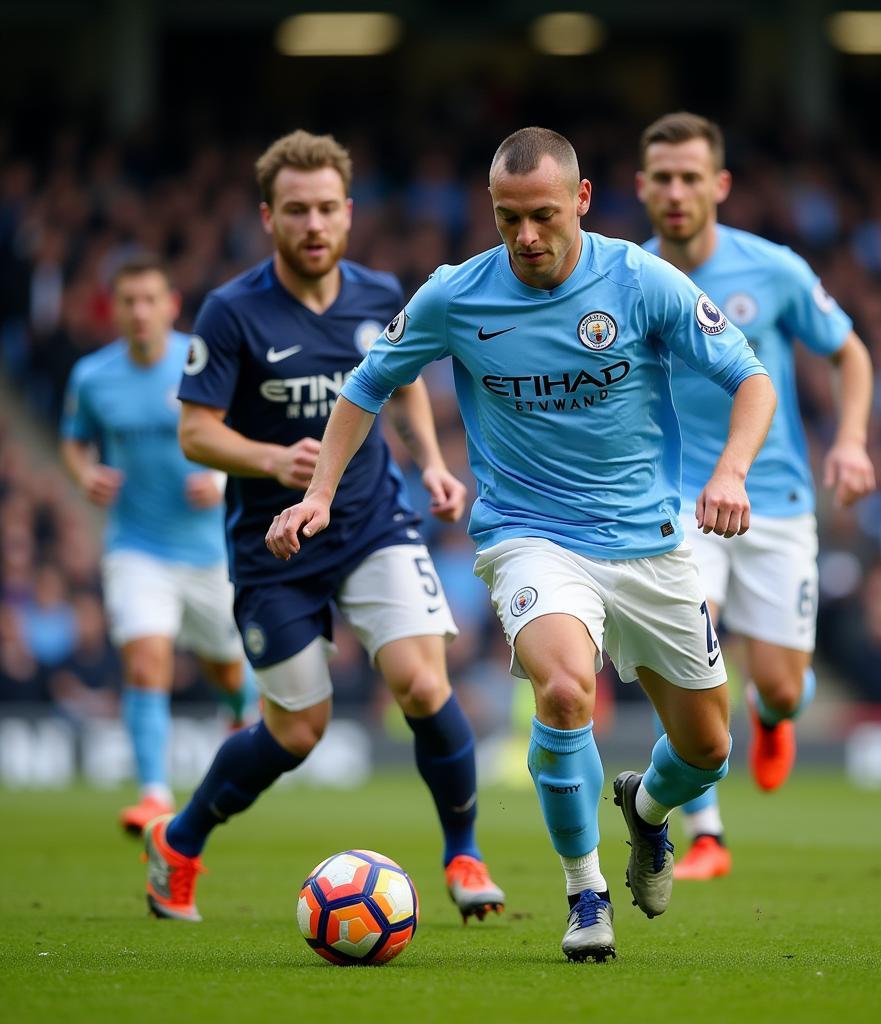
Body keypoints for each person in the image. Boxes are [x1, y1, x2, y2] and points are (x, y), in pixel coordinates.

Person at [266, 127, 777, 962]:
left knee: (707, 750)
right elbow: (367, 386)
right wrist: (318, 492)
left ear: (580, 200)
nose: (527, 237)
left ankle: (646, 812)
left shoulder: (640, 280)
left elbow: (750, 378)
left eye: (543, 215)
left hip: (649, 543)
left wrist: (731, 472)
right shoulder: (455, 295)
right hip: (530, 536)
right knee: (566, 692)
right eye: (508, 219)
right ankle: (585, 894)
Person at [141, 130, 504, 925]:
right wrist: (277, 464)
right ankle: (179, 839)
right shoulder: (232, 311)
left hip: (374, 520)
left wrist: (434, 462)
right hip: (271, 547)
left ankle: (464, 853)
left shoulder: (380, 295)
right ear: (269, 217)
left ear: (349, 214)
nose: (314, 224)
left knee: (420, 680)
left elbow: (399, 382)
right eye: (297, 210)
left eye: (328, 209)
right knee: (299, 729)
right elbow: (196, 433)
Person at [636, 111, 876, 880]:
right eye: (662, 179)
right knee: (688, 652)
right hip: (676, 501)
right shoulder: (627, 278)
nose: (676, 192)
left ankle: (775, 716)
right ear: (642, 188)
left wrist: (850, 441)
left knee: (777, 683)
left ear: (720, 185)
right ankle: (706, 832)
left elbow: (851, 353)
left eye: (690, 178)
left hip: (774, 498)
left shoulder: (773, 269)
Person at [61, 256, 253, 835]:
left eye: (150, 300)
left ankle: (245, 712)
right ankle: (152, 795)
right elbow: (74, 441)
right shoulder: (92, 377)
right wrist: (83, 473)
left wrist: (220, 479)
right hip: (135, 547)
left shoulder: (201, 358)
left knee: (226, 670)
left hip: (208, 552)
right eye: (128, 301)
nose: (140, 312)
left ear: (171, 304)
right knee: (146, 661)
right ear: (114, 309)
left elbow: (248, 430)